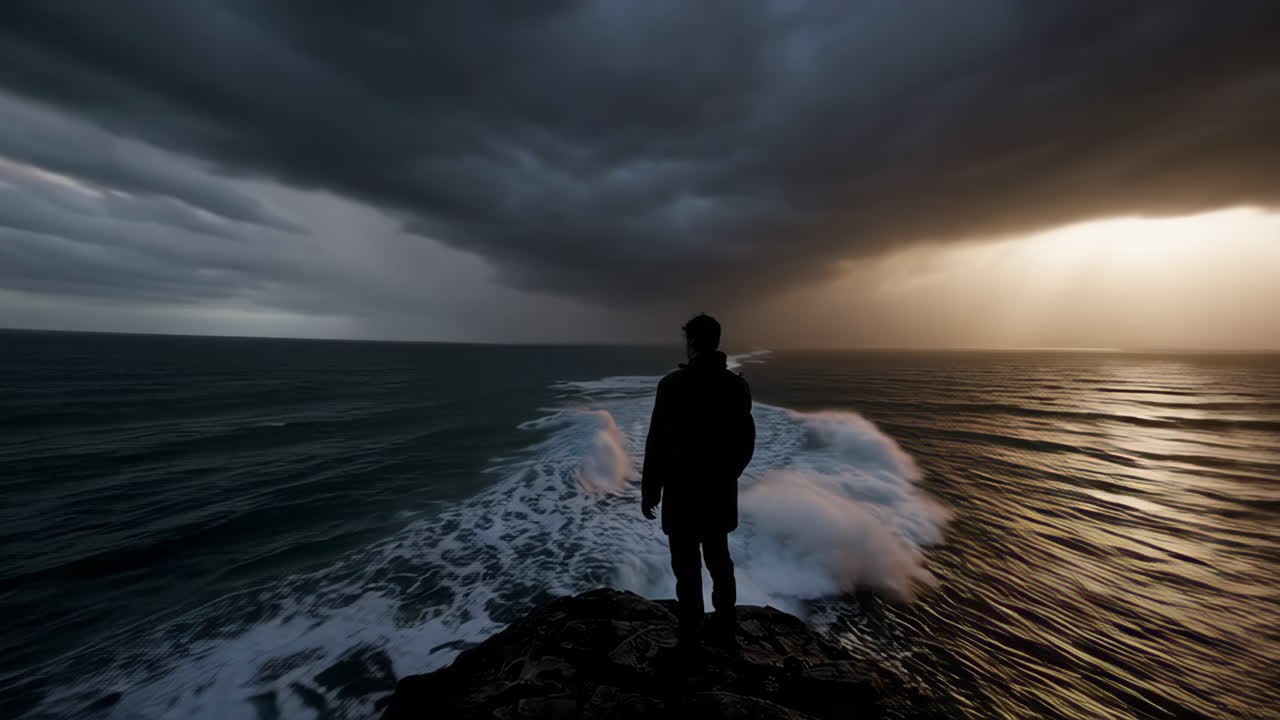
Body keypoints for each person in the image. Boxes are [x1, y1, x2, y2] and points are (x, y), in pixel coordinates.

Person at [641, 313, 755, 644]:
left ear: (691, 342)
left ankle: (691, 629)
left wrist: (651, 491)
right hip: (718, 495)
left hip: (681, 496)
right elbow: (746, 442)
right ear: (716, 341)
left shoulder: (672, 386)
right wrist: (727, 475)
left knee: (686, 568)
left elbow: (657, 443)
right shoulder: (735, 387)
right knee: (719, 561)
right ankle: (725, 625)